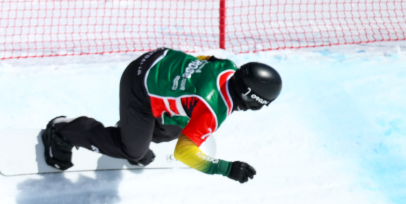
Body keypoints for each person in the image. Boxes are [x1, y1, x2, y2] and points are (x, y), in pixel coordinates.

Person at [40, 48, 281, 182]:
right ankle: (63, 131)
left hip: (158, 59)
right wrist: (226, 169)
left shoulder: (228, 67)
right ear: (252, 99)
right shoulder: (212, 111)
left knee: (177, 126)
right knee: (132, 151)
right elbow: (184, 152)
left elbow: (202, 60)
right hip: (139, 85)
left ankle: (133, 130)